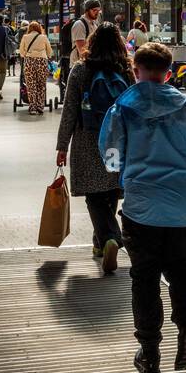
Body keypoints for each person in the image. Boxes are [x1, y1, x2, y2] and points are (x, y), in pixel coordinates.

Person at [99, 41, 186, 373]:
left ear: (136, 71)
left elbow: (110, 156)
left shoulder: (122, 109)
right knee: (181, 269)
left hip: (140, 208)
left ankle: (149, 352)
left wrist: (126, 173)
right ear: (169, 73)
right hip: (180, 206)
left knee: (144, 277)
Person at [56, 22, 133, 271]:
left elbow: (69, 111)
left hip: (88, 138)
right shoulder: (126, 70)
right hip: (117, 140)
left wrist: (62, 146)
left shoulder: (80, 70)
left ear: (92, 42)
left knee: (94, 195)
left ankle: (111, 237)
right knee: (110, 190)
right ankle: (101, 242)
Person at [19, 19, 52, 114]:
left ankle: (32, 107)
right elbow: (49, 51)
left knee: (31, 85)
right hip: (42, 61)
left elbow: (21, 52)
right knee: (41, 85)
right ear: (39, 28)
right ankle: (40, 106)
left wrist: (29, 53)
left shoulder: (25, 37)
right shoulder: (44, 37)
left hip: (29, 61)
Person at [70, 0, 101, 66]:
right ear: (87, 10)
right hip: (79, 65)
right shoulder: (79, 24)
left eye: (98, 10)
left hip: (89, 63)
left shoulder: (94, 25)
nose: (97, 13)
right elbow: (82, 49)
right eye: (94, 10)